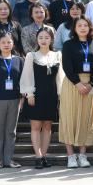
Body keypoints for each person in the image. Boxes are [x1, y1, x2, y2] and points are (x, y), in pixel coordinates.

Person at [21, 24, 63, 169]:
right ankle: (38, 156)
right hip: (36, 94)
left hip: (51, 96)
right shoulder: (31, 56)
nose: (44, 40)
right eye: (41, 38)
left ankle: (44, 155)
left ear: (51, 39)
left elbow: (60, 77)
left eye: (47, 37)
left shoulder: (57, 55)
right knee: (36, 126)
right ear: (37, 39)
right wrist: (29, 93)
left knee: (47, 126)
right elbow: (27, 76)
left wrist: (60, 95)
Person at [60, 16, 93, 168]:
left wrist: (90, 84)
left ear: (90, 28)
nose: (83, 28)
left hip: (89, 85)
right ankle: (70, 156)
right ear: (74, 29)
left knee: (86, 119)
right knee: (69, 117)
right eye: (79, 25)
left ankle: (82, 155)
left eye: (85, 25)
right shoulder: (68, 45)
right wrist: (77, 83)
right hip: (72, 84)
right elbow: (66, 65)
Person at [0, 32, 23, 168]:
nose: (6, 45)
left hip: (15, 100)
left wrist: (22, 100)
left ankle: (8, 160)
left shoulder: (19, 60)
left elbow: (23, 82)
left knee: (11, 132)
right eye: (3, 42)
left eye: (9, 42)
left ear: (13, 44)